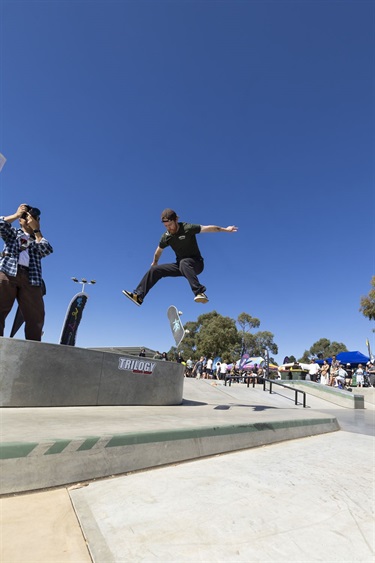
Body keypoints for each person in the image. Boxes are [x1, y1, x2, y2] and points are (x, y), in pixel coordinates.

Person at [123, 208, 238, 306]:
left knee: (184, 262)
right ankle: (139, 296)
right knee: (155, 270)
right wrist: (155, 262)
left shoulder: (187, 228)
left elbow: (209, 228)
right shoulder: (166, 237)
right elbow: (159, 250)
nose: (169, 228)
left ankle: (199, 292)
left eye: (170, 225)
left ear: (176, 220)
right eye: (166, 226)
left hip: (196, 264)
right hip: (181, 266)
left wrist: (225, 229)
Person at [0, 203, 53, 341]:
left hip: (31, 278)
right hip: (7, 272)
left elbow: (46, 249)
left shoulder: (37, 240)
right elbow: (1, 224)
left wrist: (36, 230)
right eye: (25, 216)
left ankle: (33, 347)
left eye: (32, 217)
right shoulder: (13, 233)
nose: (28, 219)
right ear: (19, 220)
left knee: (36, 315)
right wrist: (17, 214)